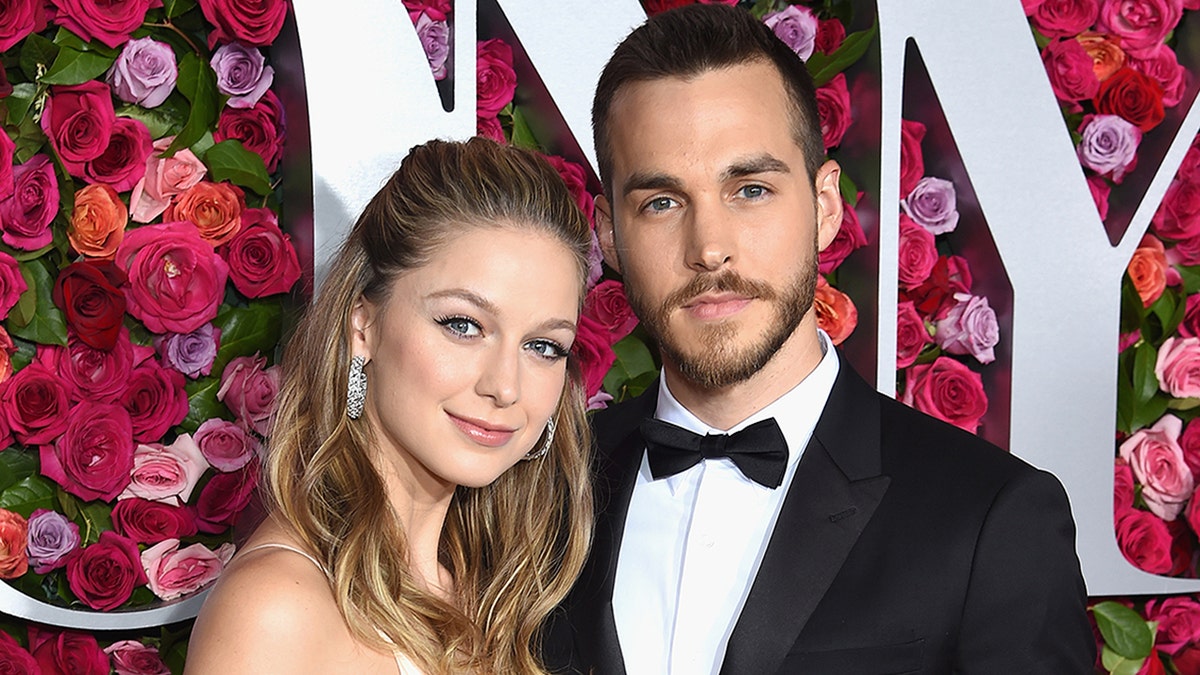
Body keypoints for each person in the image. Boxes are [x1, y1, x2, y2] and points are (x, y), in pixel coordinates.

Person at [549, 5, 1095, 674]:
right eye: (661, 202)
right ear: (607, 231)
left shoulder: (989, 519)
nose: (709, 248)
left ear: (826, 205)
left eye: (750, 189)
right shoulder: (542, 491)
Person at [186, 137, 594, 675]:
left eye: (543, 347)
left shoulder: (484, 594)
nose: (506, 387)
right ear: (364, 325)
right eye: (464, 325)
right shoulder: (278, 611)